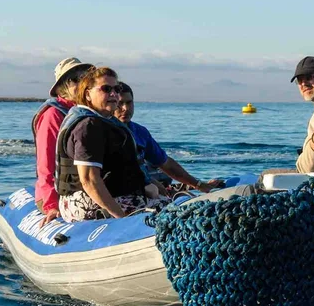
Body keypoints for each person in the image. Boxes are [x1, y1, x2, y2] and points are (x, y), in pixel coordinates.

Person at [55, 66, 166, 221]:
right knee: (173, 213)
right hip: (89, 204)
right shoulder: (88, 126)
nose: (114, 94)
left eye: (117, 89)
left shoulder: (102, 122)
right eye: (106, 89)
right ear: (88, 94)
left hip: (109, 197)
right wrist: (122, 218)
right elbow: (89, 181)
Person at [114, 82, 222, 194]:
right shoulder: (103, 131)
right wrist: (151, 182)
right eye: (119, 103)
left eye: (129, 102)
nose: (125, 108)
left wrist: (198, 184)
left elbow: (165, 163)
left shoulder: (140, 132)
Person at [32, 57, 93, 226]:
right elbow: (45, 165)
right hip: (59, 194)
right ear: (62, 87)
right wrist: (51, 205)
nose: (82, 83)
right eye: (75, 80)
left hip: (88, 188)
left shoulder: (89, 113)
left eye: (86, 78)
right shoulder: (53, 116)